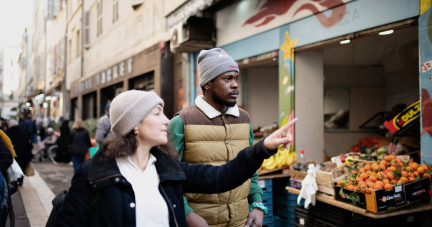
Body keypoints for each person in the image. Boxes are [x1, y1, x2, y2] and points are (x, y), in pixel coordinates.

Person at [54, 90, 297, 227]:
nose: (167, 120)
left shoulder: (168, 169)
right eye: (157, 113)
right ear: (134, 124)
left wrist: (262, 147)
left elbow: (220, 177)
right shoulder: (94, 174)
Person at [168, 48, 263, 227]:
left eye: (236, 78)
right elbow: (166, 176)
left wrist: (257, 203)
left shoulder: (244, 119)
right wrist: (187, 215)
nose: (235, 84)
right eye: (227, 79)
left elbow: (250, 168)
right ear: (207, 84)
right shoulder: (182, 122)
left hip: (241, 222)